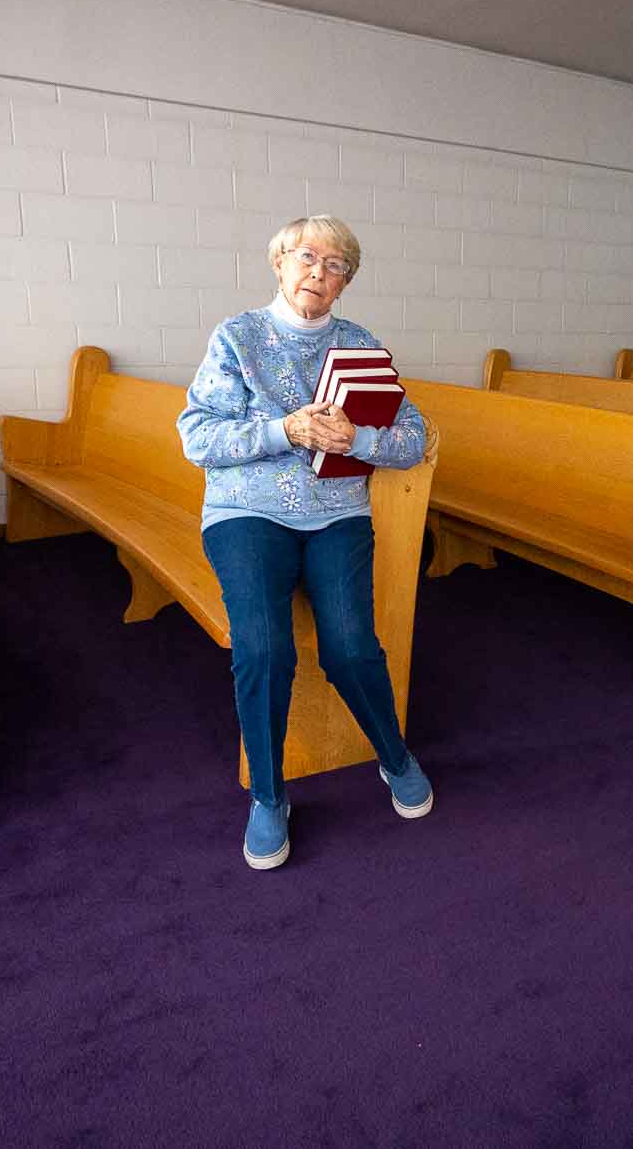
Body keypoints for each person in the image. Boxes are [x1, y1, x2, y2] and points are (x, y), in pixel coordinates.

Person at [177, 214, 433, 870]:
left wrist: (361, 440)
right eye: (307, 258)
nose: (319, 273)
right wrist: (284, 430)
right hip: (246, 514)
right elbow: (197, 437)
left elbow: (412, 438)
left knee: (351, 648)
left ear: (346, 283)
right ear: (280, 263)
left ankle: (395, 757)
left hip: (336, 513)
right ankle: (268, 797)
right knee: (264, 649)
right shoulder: (237, 337)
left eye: (336, 265)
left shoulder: (361, 345)